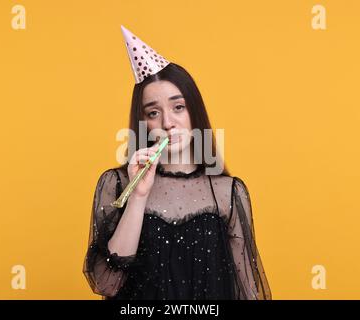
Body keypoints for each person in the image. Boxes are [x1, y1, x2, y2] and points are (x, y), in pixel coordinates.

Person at [83, 25, 271, 300]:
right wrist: (138, 196)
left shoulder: (228, 192)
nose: (168, 123)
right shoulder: (117, 184)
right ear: (143, 123)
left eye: (178, 107)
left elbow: (247, 291)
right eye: (153, 112)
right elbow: (106, 284)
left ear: (194, 111)